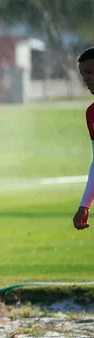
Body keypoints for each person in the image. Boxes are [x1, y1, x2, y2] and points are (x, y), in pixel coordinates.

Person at [73, 47, 94, 230]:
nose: (86, 79)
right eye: (82, 75)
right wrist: (85, 204)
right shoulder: (91, 113)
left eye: (89, 73)